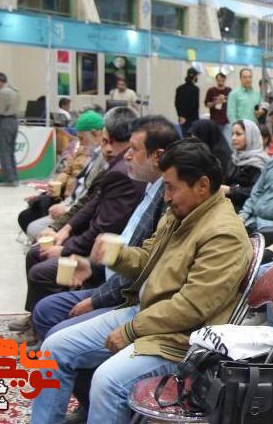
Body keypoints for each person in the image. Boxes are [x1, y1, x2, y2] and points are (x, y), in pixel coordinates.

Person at [31, 140, 253, 424]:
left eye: (171, 188)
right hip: (148, 315)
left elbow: (191, 307)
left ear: (202, 185)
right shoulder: (182, 213)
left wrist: (132, 330)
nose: (167, 197)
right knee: (54, 349)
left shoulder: (224, 234)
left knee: (108, 382)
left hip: (180, 339)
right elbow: (148, 258)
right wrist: (113, 255)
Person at [31, 116, 178, 342]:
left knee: (56, 338)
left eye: (134, 149)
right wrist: (92, 265)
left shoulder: (168, 202)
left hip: (128, 295)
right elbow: (91, 206)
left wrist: (97, 299)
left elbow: (144, 268)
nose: (126, 155)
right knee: (45, 309)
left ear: (157, 156)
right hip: (110, 275)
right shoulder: (149, 187)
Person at [13, 107, 143, 342]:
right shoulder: (114, 164)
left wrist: (66, 248)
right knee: (36, 251)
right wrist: (65, 228)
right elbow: (90, 202)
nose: (107, 148)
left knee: (42, 270)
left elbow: (105, 228)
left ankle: (46, 328)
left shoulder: (126, 172)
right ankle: (37, 321)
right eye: (105, 141)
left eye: (134, 149)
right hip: (96, 243)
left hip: (105, 255)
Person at [18, 111, 102, 233]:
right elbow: (67, 171)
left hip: (74, 201)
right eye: (78, 137)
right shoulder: (82, 149)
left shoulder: (101, 158)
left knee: (34, 220)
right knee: (30, 212)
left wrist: (67, 206)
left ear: (95, 134)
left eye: (82, 138)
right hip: (67, 196)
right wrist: (58, 183)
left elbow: (88, 194)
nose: (80, 142)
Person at [222, 119, 271, 211]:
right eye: (232, 134)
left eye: (238, 134)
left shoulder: (259, 162)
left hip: (249, 210)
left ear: (250, 136)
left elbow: (257, 191)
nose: (233, 138)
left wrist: (230, 190)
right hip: (229, 205)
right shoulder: (234, 158)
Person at [205, 72, 232, 139]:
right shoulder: (211, 90)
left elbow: (233, 104)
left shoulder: (229, 90)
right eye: (219, 80)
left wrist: (225, 100)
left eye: (222, 80)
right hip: (215, 121)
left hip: (227, 121)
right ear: (216, 80)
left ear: (225, 79)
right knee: (215, 140)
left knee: (227, 140)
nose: (221, 82)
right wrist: (216, 102)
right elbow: (207, 105)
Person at [174, 67, 199, 136]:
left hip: (182, 119)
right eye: (197, 76)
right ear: (194, 77)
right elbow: (193, 105)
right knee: (192, 139)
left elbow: (177, 103)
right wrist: (186, 117)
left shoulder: (179, 88)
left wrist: (181, 116)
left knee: (184, 138)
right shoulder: (195, 89)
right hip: (193, 119)